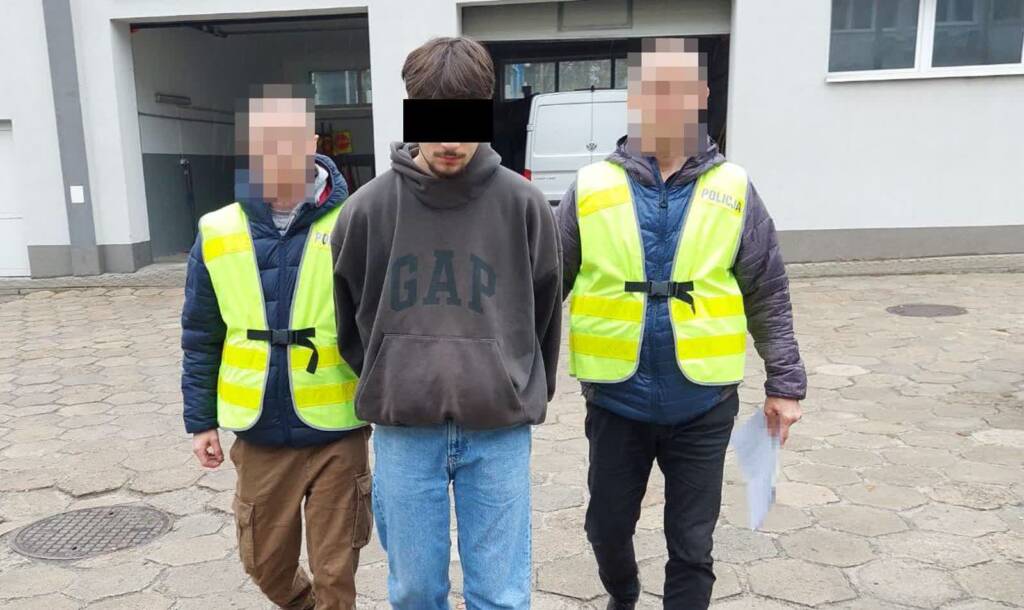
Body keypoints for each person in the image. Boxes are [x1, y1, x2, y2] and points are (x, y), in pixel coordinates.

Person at [556, 38, 806, 609]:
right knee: (605, 529)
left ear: (702, 95)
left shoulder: (733, 188)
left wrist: (785, 384)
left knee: (692, 546)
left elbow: (768, 290)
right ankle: (623, 595)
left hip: (703, 402)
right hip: (615, 398)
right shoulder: (591, 187)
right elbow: (545, 286)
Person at [330, 37, 561, 610]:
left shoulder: (524, 206)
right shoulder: (366, 210)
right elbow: (350, 319)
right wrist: (395, 376)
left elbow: (546, 314)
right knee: (414, 592)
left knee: (501, 595)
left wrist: (513, 381)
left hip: (499, 429)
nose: (451, 142)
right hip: (405, 431)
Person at [182, 84, 370, 610]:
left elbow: (380, 322)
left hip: (337, 429)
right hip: (261, 431)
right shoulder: (218, 230)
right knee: (264, 563)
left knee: (336, 572)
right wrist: (200, 422)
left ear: (312, 142)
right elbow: (200, 335)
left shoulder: (354, 220)